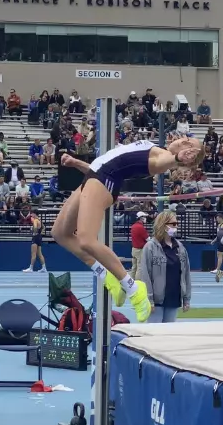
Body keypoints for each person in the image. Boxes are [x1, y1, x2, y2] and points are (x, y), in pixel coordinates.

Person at [53, 136, 205, 322]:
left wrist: (176, 159)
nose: (183, 139)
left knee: (86, 239)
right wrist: (76, 163)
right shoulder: (155, 148)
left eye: (189, 141)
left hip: (102, 178)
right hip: (95, 175)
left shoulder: (162, 155)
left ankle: (133, 289)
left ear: (186, 148)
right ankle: (108, 276)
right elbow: (109, 162)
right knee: (60, 233)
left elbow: (160, 163)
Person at [137, 211, 191, 323]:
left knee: (168, 335)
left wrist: (186, 298)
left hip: (173, 298)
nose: (176, 226)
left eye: (177, 224)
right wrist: (149, 299)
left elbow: (186, 274)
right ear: (164, 224)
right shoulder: (150, 247)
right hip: (156, 301)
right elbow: (145, 274)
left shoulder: (180, 248)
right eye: (173, 224)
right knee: (154, 335)